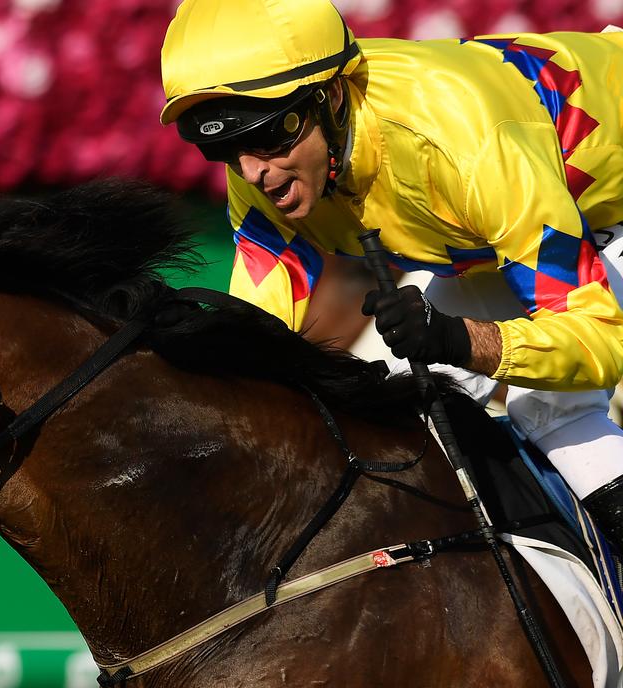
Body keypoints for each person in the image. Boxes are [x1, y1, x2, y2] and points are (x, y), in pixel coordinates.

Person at [160, 0, 623, 547]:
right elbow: (256, 337)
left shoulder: (465, 147)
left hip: (594, 204)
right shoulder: (266, 161)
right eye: (224, 148)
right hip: (506, 228)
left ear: (330, 97)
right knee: (392, 408)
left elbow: (599, 340)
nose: (253, 171)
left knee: (547, 409)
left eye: (266, 137)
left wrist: (454, 336)